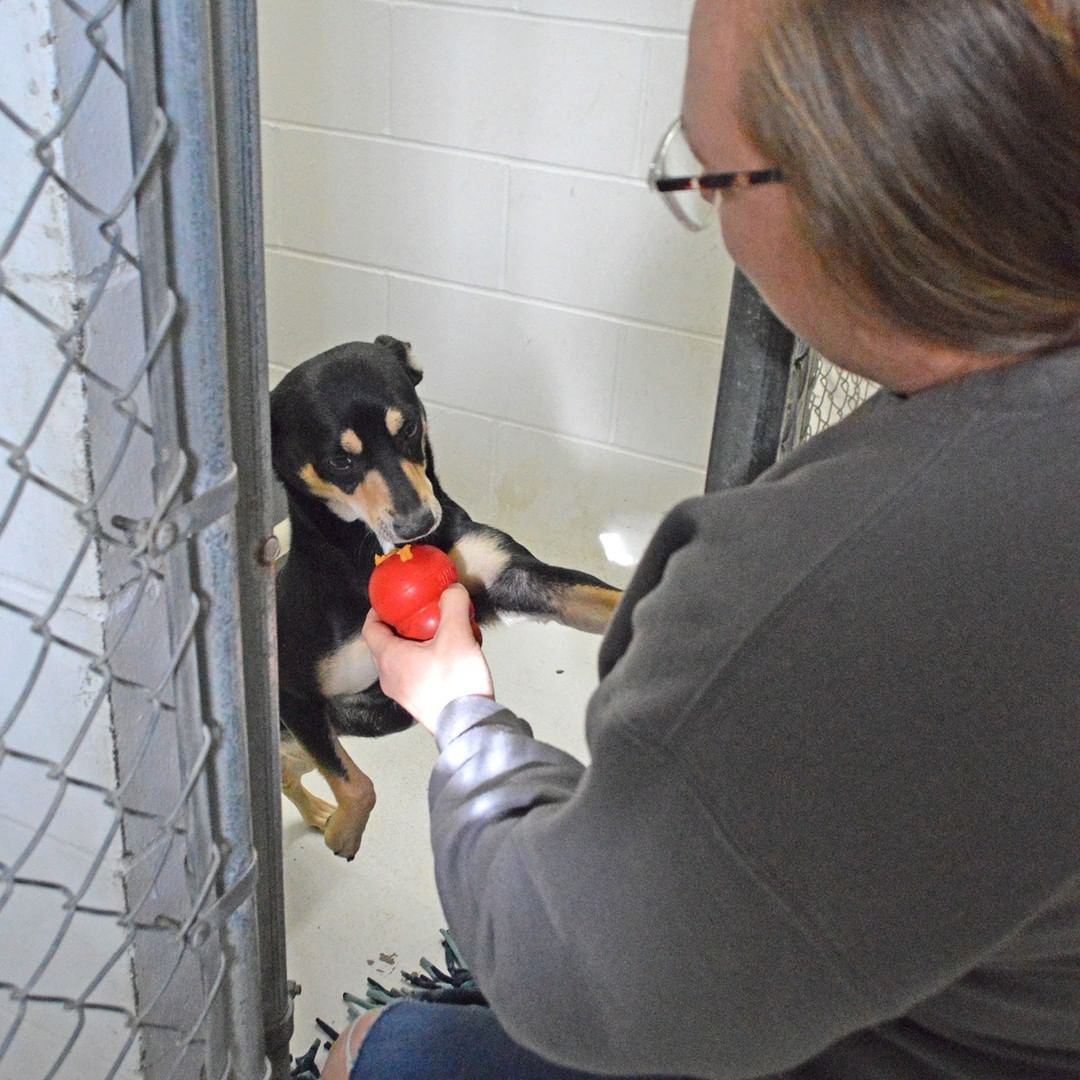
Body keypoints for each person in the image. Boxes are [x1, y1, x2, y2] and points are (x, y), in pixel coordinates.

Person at [325, 0, 1080, 1076]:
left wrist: (460, 713)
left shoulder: (837, 598)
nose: (713, 213)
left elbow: (581, 977)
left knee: (376, 1052)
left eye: (715, 179)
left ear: (869, 198)